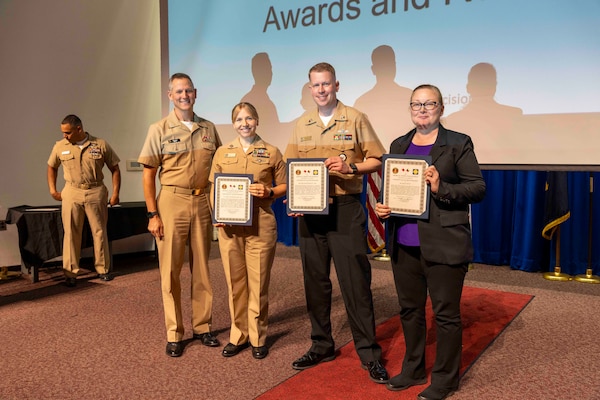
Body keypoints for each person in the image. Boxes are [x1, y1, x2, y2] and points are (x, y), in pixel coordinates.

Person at [375, 84, 486, 400]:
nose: (422, 109)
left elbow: (477, 188)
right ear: (410, 109)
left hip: (444, 243)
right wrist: (384, 208)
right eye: (416, 104)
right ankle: (412, 370)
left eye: (429, 104)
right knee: (409, 310)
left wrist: (441, 188)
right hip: (404, 243)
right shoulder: (399, 144)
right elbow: (394, 190)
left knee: (446, 314)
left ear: (441, 108)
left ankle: (445, 379)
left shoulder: (457, 144)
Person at [284, 62, 389, 384]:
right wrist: (293, 197)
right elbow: (293, 168)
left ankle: (369, 352)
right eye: (316, 85)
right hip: (311, 215)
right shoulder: (301, 124)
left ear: (337, 85)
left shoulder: (356, 118)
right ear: (310, 88)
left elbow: (377, 159)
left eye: (326, 84)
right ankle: (321, 344)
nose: (321, 90)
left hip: (345, 209)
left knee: (355, 284)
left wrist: (350, 168)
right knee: (315, 283)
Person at [138, 72, 222, 358]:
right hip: (171, 201)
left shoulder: (209, 128)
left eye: (188, 90)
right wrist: (153, 214)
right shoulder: (158, 129)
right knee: (170, 271)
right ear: (170, 95)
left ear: (195, 93)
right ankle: (174, 332)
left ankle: (203, 326)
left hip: (201, 202)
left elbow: (218, 171)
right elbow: (149, 175)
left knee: (202, 269)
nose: (184, 95)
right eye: (178, 91)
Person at [209, 102, 287, 360]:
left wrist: (270, 191)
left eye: (250, 118)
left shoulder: (272, 151)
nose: (245, 123)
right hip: (229, 227)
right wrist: (216, 214)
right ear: (233, 124)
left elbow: (285, 185)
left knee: (258, 282)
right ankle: (238, 335)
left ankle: (257, 337)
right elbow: (213, 188)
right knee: (235, 283)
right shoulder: (222, 152)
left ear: (257, 121)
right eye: (240, 119)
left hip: (261, 224)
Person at [47, 114, 121, 287]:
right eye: (63, 132)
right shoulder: (60, 146)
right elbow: (51, 167)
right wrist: (52, 189)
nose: (64, 136)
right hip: (71, 191)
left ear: (79, 129)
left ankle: (103, 270)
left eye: (68, 132)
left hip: (95, 191)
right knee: (71, 233)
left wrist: (116, 193)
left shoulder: (100, 144)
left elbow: (115, 169)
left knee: (99, 232)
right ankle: (70, 273)